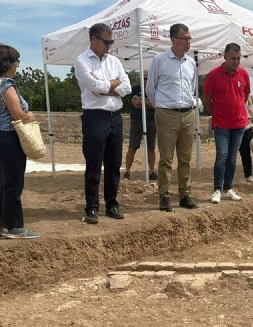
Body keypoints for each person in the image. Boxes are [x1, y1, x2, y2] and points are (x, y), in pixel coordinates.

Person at [74, 23, 131, 224]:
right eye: (107, 42)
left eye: (111, 41)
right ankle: (91, 207)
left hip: (115, 117)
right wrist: (112, 84)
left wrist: (106, 86)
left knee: (114, 164)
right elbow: (95, 87)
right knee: (94, 164)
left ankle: (112, 204)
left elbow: (128, 86)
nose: (110, 45)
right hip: (95, 117)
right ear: (94, 40)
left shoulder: (114, 61)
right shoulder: (81, 61)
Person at [0, 44, 38, 239]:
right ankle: (15, 227)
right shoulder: (6, 84)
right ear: (8, 64)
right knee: (14, 183)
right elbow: (17, 114)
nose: (18, 65)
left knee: (6, 181)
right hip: (7, 137)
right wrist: (28, 115)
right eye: (16, 61)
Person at [145, 23, 198, 212]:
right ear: (174, 39)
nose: (188, 42)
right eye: (185, 38)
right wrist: (161, 105)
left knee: (185, 158)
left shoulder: (191, 63)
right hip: (166, 114)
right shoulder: (159, 60)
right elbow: (150, 89)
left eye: (189, 38)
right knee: (166, 158)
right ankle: (164, 196)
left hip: (188, 113)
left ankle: (185, 195)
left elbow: (192, 88)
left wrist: (189, 104)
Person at [203, 43, 250, 204]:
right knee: (222, 156)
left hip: (239, 124)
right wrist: (216, 112)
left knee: (232, 158)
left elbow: (245, 95)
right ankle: (217, 189)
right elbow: (206, 99)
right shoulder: (213, 75)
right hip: (221, 124)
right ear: (225, 57)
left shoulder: (243, 74)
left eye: (238, 59)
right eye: (233, 58)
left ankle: (228, 188)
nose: (236, 62)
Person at [124, 71, 157, 182]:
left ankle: (152, 171)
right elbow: (135, 103)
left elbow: (156, 105)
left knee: (151, 148)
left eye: (147, 78)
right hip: (137, 121)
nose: (146, 80)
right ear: (140, 79)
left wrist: (144, 103)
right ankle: (127, 172)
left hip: (151, 121)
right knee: (132, 146)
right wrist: (148, 103)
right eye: (144, 78)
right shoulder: (134, 89)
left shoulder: (154, 90)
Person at [238, 96, 253, 183]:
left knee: (246, 152)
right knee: (228, 154)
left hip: (246, 125)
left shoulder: (246, 91)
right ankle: (225, 177)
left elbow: (250, 106)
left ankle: (248, 175)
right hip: (231, 126)